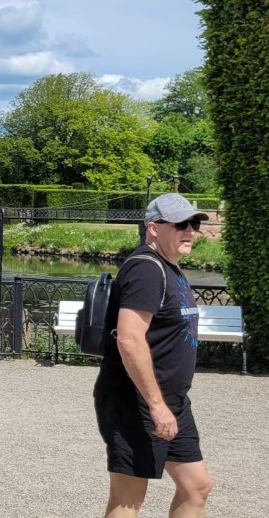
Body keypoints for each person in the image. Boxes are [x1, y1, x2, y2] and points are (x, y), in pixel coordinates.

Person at [93, 193, 213, 517]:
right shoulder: (146, 269)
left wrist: (166, 405)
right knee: (128, 499)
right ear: (154, 228)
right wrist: (157, 406)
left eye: (194, 223)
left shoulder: (169, 268)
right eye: (180, 223)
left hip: (172, 402)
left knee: (196, 486)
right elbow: (129, 339)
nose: (190, 230)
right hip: (138, 401)